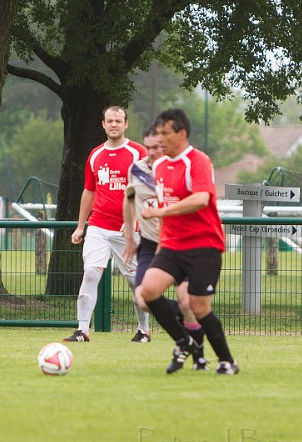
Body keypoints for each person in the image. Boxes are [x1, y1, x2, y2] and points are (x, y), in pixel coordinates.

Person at [139, 108, 238, 375]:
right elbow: (165, 205)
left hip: (203, 246)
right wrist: (161, 242)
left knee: (197, 306)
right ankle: (184, 342)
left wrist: (160, 211)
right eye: (158, 133)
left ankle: (227, 361)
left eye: (165, 134)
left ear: (181, 134)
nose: (160, 140)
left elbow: (201, 199)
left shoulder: (198, 161)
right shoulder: (159, 166)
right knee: (146, 292)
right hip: (172, 245)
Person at [122, 123, 208, 370]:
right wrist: (130, 235)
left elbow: (201, 202)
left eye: (157, 147)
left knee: (186, 301)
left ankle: (198, 356)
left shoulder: (182, 170)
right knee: (143, 299)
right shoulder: (136, 170)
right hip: (150, 245)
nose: (151, 152)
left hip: (183, 244)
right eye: (147, 147)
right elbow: (129, 199)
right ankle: (186, 336)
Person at [63, 106, 151, 343]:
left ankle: (144, 330)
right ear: (103, 124)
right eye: (109, 121)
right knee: (90, 273)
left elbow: (147, 190)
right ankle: (82, 330)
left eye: (118, 121)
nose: (114, 124)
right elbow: (89, 191)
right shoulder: (95, 155)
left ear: (126, 124)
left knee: (136, 282)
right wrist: (81, 226)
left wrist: (132, 220)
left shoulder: (138, 153)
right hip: (98, 227)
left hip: (128, 231)